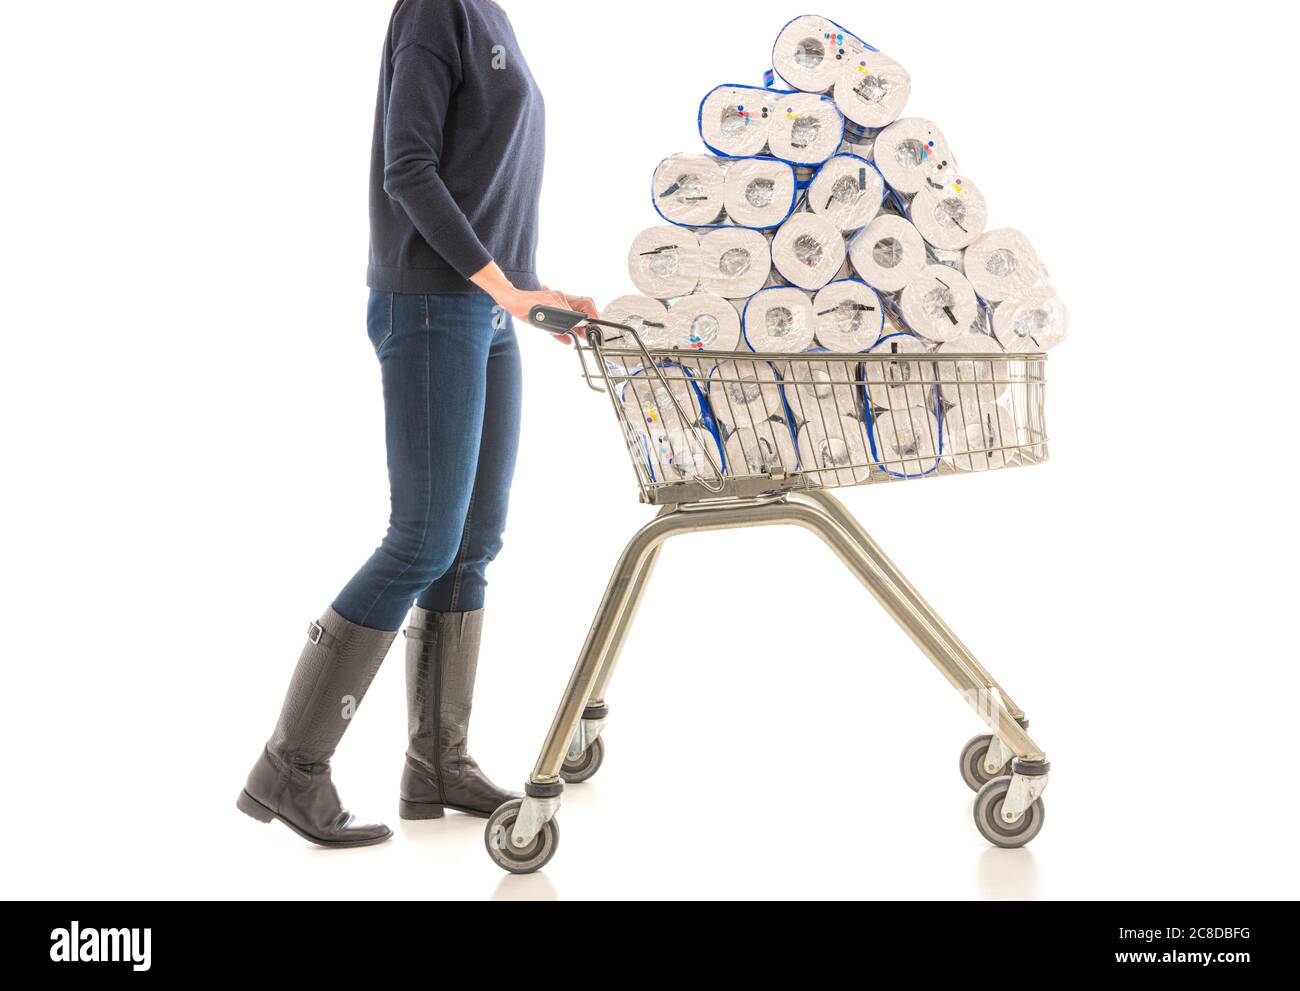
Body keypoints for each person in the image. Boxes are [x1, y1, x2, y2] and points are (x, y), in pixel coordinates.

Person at [237, 0, 596, 847]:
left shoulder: (491, 14)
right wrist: (498, 285)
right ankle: (290, 766)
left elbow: (485, 175)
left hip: (489, 309)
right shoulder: (437, 8)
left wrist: (526, 291)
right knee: (422, 539)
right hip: (433, 303)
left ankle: (438, 761)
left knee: (473, 539)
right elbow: (409, 168)